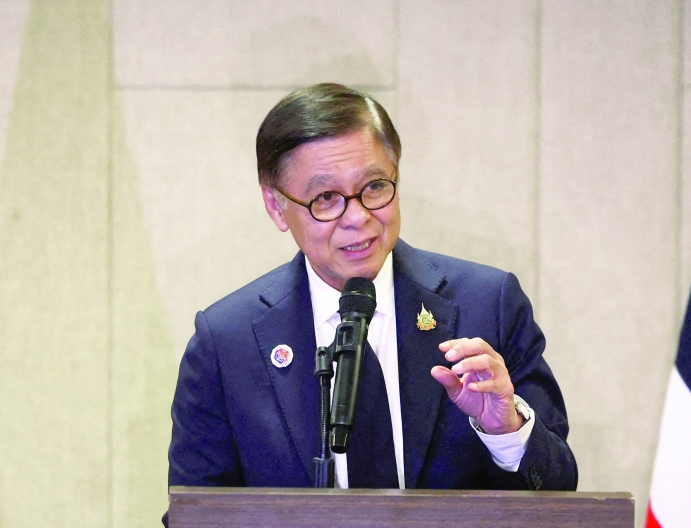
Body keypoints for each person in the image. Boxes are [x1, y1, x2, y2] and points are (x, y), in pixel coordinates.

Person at [166, 83, 576, 503]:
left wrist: (505, 428)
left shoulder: (488, 305)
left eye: (375, 187)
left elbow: (560, 490)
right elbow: (195, 522)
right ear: (276, 207)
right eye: (326, 198)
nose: (358, 217)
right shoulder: (227, 342)